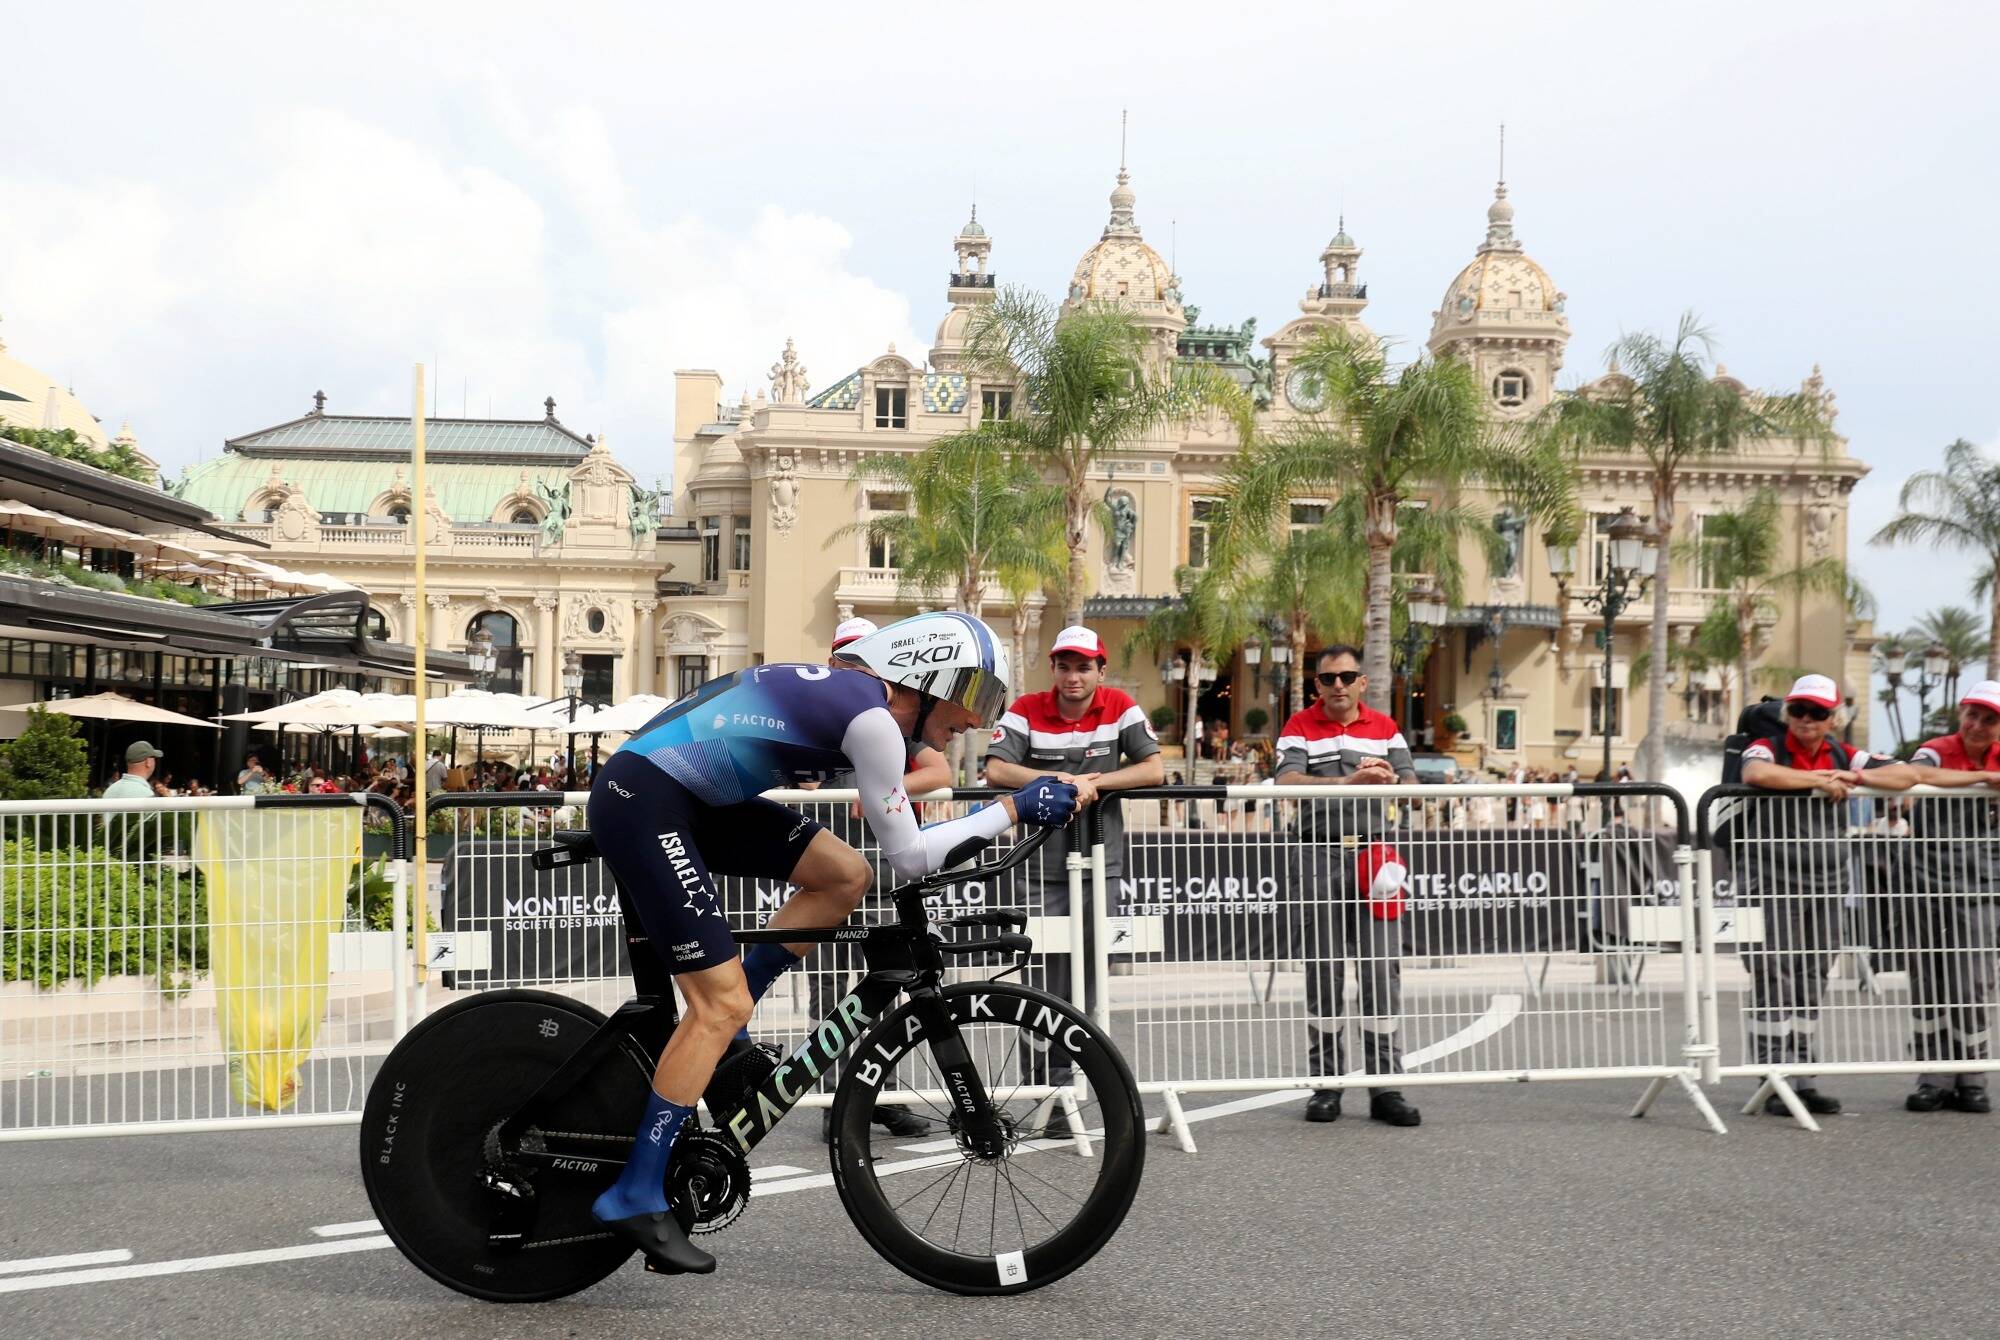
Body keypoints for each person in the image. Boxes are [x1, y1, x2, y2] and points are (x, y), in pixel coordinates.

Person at [584, 612, 1077, 1275]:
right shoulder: (873, 720)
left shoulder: (867, 704)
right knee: (715, 1004)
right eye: (977, 698)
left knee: (845, 876)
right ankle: (635, 1191)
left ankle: (730, 1039)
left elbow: (886, 850)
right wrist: (1015, 809)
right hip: (647, 799)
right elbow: (909, 856)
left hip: (688, 796)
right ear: (931, 677)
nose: (976, 721)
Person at [982, 625, 1163, 1131]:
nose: (1073, 676)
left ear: (1100, 671)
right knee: (1039, 982)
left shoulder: (1121, 705)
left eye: (1084, 666)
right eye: (1065, 665)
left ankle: (1077, 1093)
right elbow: (997, 770)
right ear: (1054, 670)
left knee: (1088, 980)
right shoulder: (1026, 708)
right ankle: (1041, 1090)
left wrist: (1095, 783)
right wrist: (1057, 781)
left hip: (1099, 866)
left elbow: (1153, 769)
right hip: (1038, 869)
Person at [793, 614, 952, 1142]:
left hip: (886, 882)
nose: (855, 667)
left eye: (865, 657)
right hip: (826, 881)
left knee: (888, 989)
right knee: (829, 997)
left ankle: (879, 1097)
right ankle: (835, 1104)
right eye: (846, 656)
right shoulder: (816, 716)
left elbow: (940, 772)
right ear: (832, 662)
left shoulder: (889, 720)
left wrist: (887, 785)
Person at [1739, 673, 1917, 1116]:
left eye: (1817, 713)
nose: (1806, 719)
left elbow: (1906, 774)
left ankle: (1803, 1075)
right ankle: (1772, 1077)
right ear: (1786, 714)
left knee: (1812, 978)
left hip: (1828, 884)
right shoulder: (1769, 746)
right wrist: (1818, 780)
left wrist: (1850, 775)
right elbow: (1756, 772)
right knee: (1773, 977)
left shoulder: (1844, 752)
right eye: (1798, 710)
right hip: (1772, 881)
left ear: (1833, 718)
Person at [1275, 645, 1422, 1128]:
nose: (1338, 684)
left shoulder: (1386, 727)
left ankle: (1387, 1087)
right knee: (1324, 972)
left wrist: (1387, 781)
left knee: (1382, 971)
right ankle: (1327, 1086)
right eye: (1328, 678)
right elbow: (1286, 781)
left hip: (1374, 858)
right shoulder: (1298, 725)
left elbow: (1411, 782)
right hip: (1316, 853)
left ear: (1363, 682)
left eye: (1348, 676)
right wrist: (1346, 784)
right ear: (1316, 684)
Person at [1902, 681, 2000, 1114]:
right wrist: (1983, 777)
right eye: (1971, 714)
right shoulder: (1937, 748)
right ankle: (1933, 1078)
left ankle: (1972, 1077)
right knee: (1928, 982)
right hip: (1925, 883)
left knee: (1974, 983)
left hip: (1981, 888)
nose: (1976, 724)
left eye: (1988, 718)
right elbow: (1916, 774)